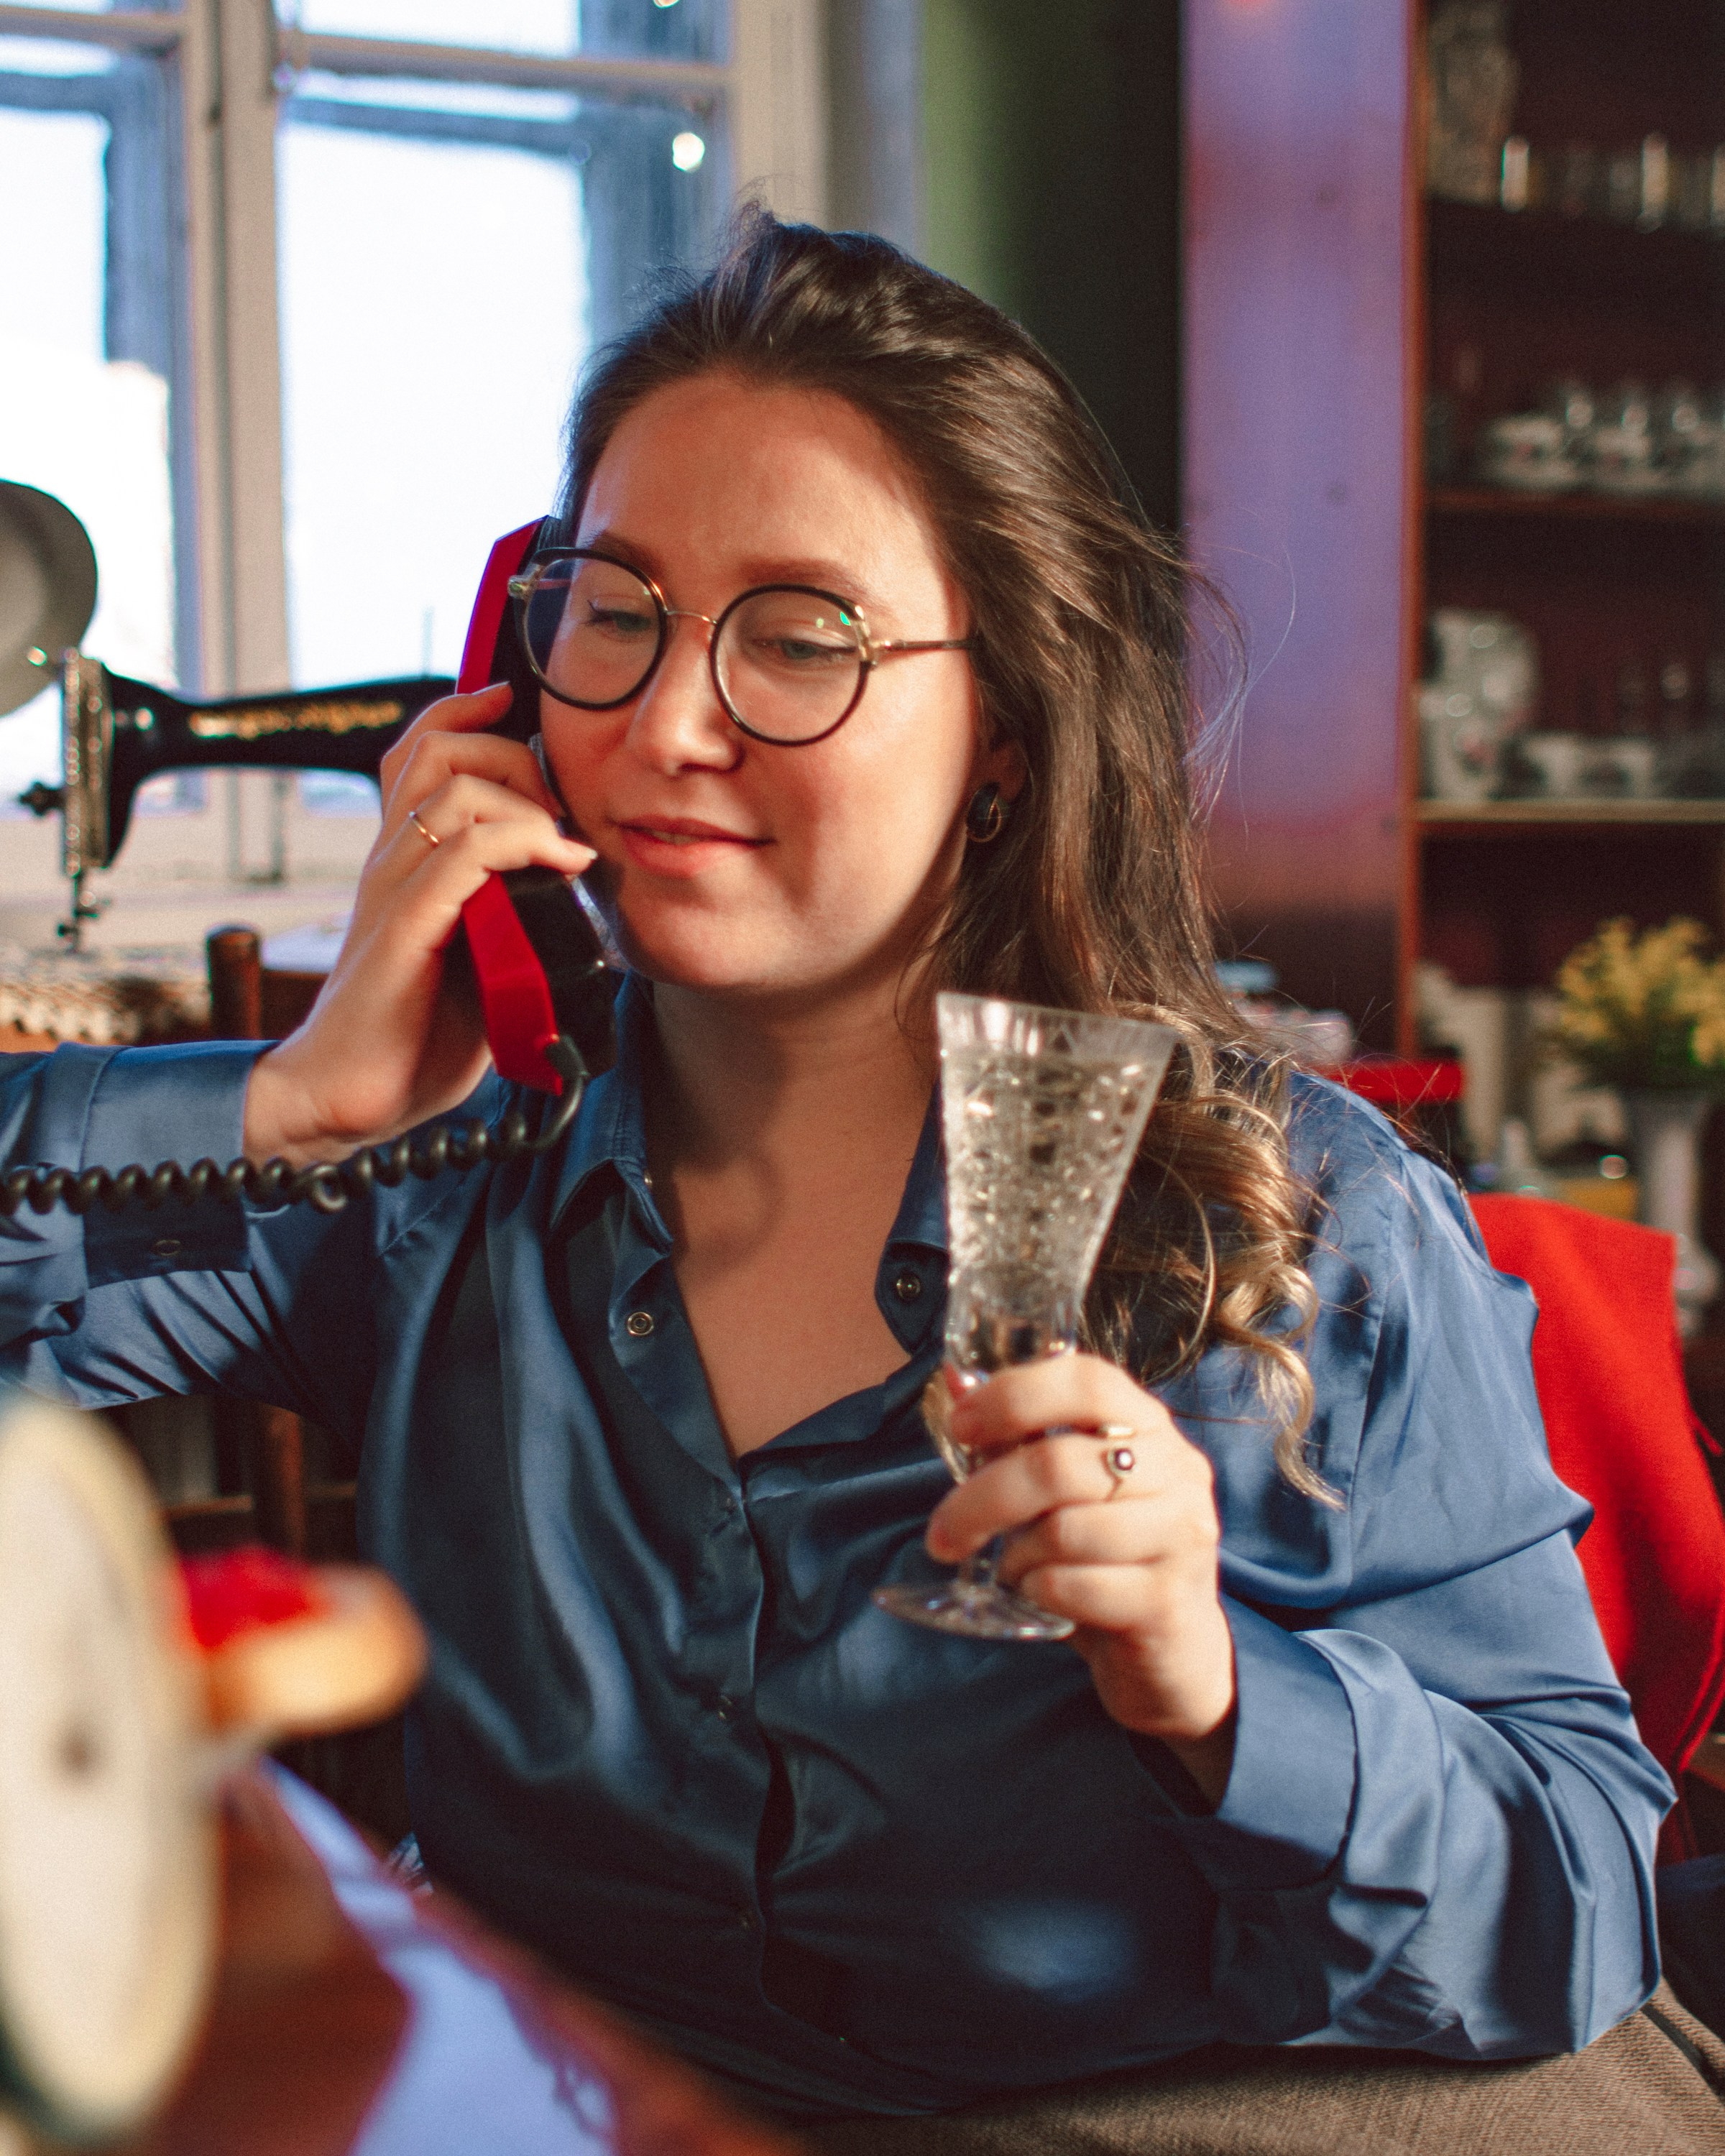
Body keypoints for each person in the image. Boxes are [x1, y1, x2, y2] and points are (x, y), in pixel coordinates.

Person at [1, 213, 1721, 2150]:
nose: (661, 724)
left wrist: (1220, 1690)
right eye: (615, 607)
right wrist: (282, 1107)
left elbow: (1577, 1895)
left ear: (1000, 734)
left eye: (803, 637)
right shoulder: (420, 1189)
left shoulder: (1285, 1228)